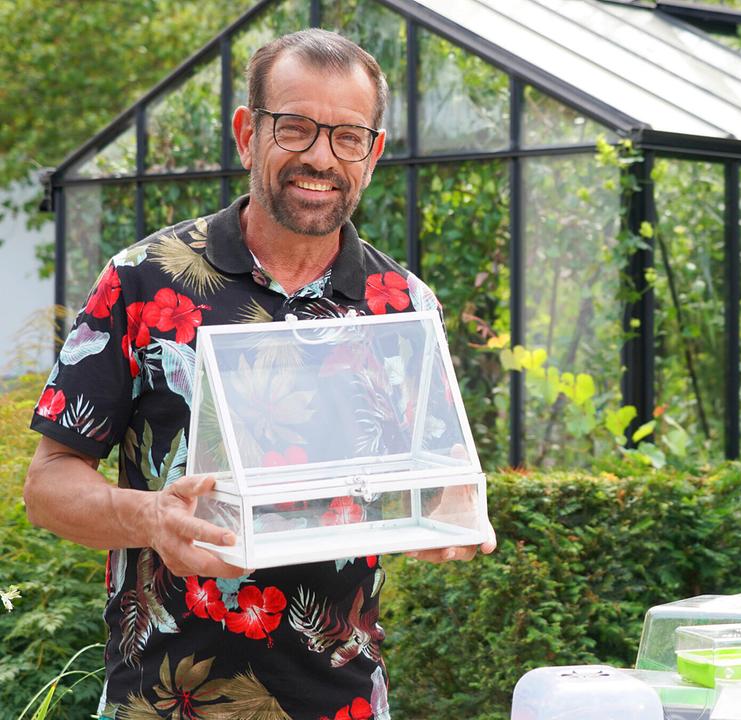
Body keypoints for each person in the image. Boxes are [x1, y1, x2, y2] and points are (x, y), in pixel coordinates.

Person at [24, 29, 495, 719]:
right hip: (161, 701)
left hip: (343, 703)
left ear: (374, 153)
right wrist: (152, 518)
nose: (320, 158)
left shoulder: (403, 305)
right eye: (296, 128)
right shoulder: (143, 280)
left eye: (347, 137)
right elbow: (47, 486)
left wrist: (451, 522)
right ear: (248, 134)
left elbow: (444, 488)